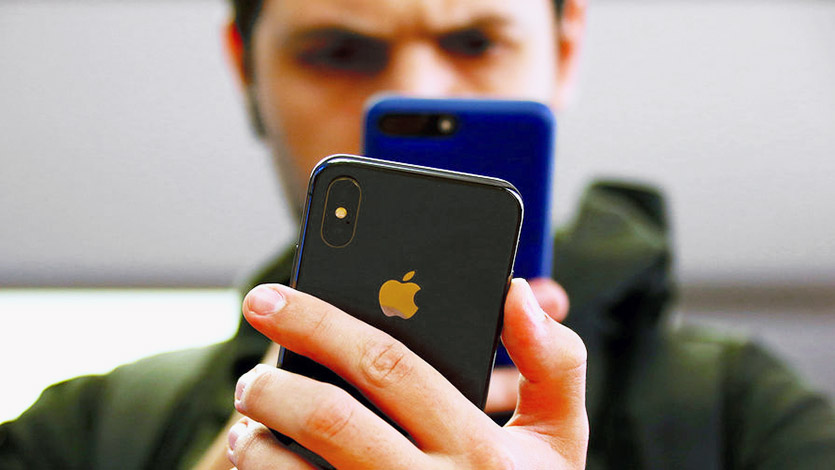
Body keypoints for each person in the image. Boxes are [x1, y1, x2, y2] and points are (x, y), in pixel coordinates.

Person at [1, 0, 834, 469]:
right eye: (338, 52)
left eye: (474, 42)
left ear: (564, 50)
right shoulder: (88, 432)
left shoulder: (745, 417)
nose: (416, 90)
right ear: (245, 68)